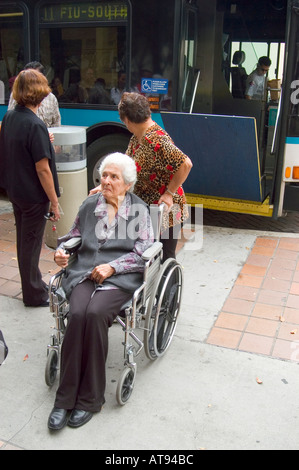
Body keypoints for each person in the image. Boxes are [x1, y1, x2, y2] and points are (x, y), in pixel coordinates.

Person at [47, 152, 154, 430]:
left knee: (95, 314)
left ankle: (90, 400)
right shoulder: (89, 204)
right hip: (85, 272)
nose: (106, 181)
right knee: (78, 313)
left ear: (127, 183)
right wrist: (62, 251)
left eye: (113, 177)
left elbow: (144, 251)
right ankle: (64, 399)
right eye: (104, 175)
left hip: (121, 279)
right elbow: (74, 235)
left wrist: (113, 267)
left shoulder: (140, 211)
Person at [92, 92, 192, 260]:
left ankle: (169, 286)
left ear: (127, 120)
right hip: (146, 210)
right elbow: (124, 167)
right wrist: (103, 186)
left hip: (165, 211)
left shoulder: (156, 140)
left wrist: (169, 193)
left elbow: (186, 164)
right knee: (146, 255)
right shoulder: (137, 137)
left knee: (164, 256)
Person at [0, 69, 60, 307]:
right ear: (41, 93)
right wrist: (54, 201)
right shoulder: (35, 125)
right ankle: (34, 294)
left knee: (25, 241)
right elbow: (43, 169)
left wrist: (44, 140)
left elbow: (18, 148)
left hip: (16, 191)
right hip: (34, 196)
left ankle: (33, 283)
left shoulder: (12, 117)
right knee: (31, 244)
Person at [8, 62, 61, 127]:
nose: (32, 84)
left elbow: (56, 123)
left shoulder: (51, 98)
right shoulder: (17, 95)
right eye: (29, 79)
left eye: (34, 79)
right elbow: (10, 122)